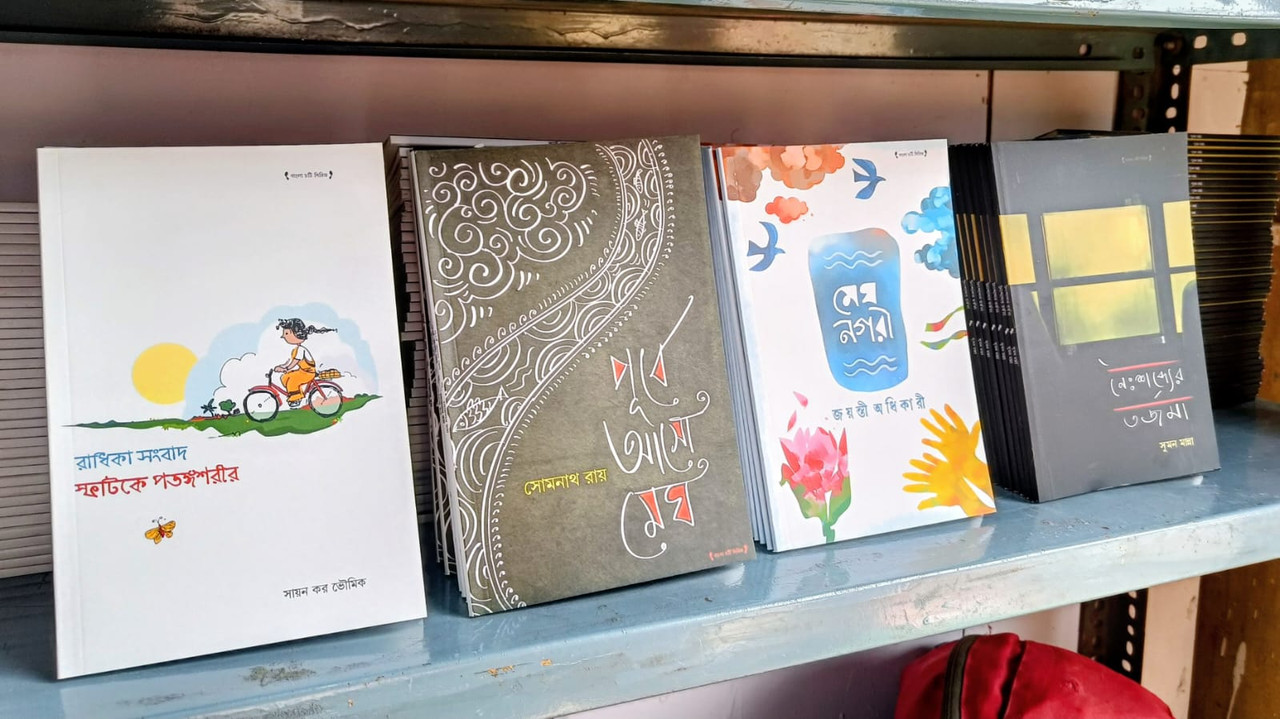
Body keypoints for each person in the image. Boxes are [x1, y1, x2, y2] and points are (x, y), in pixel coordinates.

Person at [273, 318, 335, 408]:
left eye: (286, 333)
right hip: (303, 371)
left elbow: (295, 362)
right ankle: (296, 393)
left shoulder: (301, 349)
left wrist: (286, 368)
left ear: (297, 334)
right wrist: (281, 367)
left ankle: (296, 399)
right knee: (285, 377)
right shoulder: (295, 349)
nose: (283, 336)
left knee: (292, 381)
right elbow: (289, 362)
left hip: (308, 373)